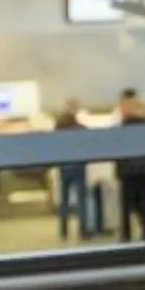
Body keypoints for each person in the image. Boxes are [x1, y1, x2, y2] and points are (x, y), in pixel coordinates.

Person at [112, 89, 145, 243]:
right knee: (141, 202)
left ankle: (130, 235)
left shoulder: (122, 127)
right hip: (141, 169)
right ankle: (144, 233)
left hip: (133, 170)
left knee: (130, 203)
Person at [51, 101, 93, 238]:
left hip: (64, 166)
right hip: (78, 166)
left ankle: (63, 230)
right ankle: (83, 229)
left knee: (64, 199)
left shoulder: (59, 127)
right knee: (81, 199)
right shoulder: (80, 128)